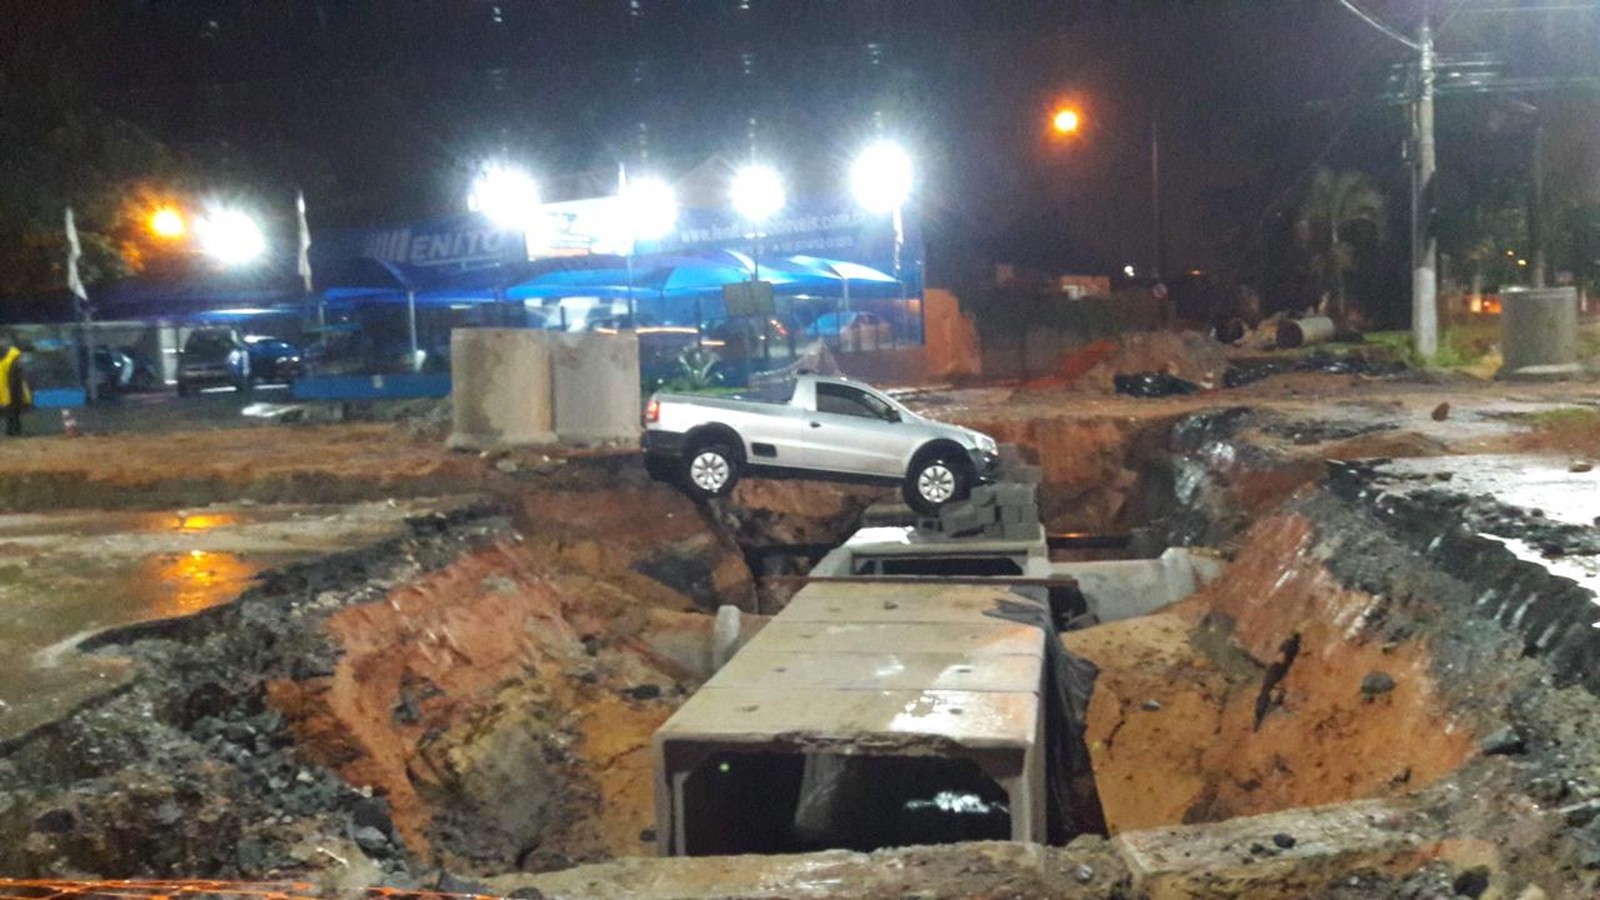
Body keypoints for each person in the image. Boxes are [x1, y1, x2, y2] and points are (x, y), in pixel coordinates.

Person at [0, 341, 33, 436]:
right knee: (12, 412)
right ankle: (13, 430)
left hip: (12, 391)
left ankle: (13, 430)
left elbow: (15, 380)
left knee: (13, 411)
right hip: (8, 391)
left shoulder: (11, 362)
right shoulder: (7, 361)